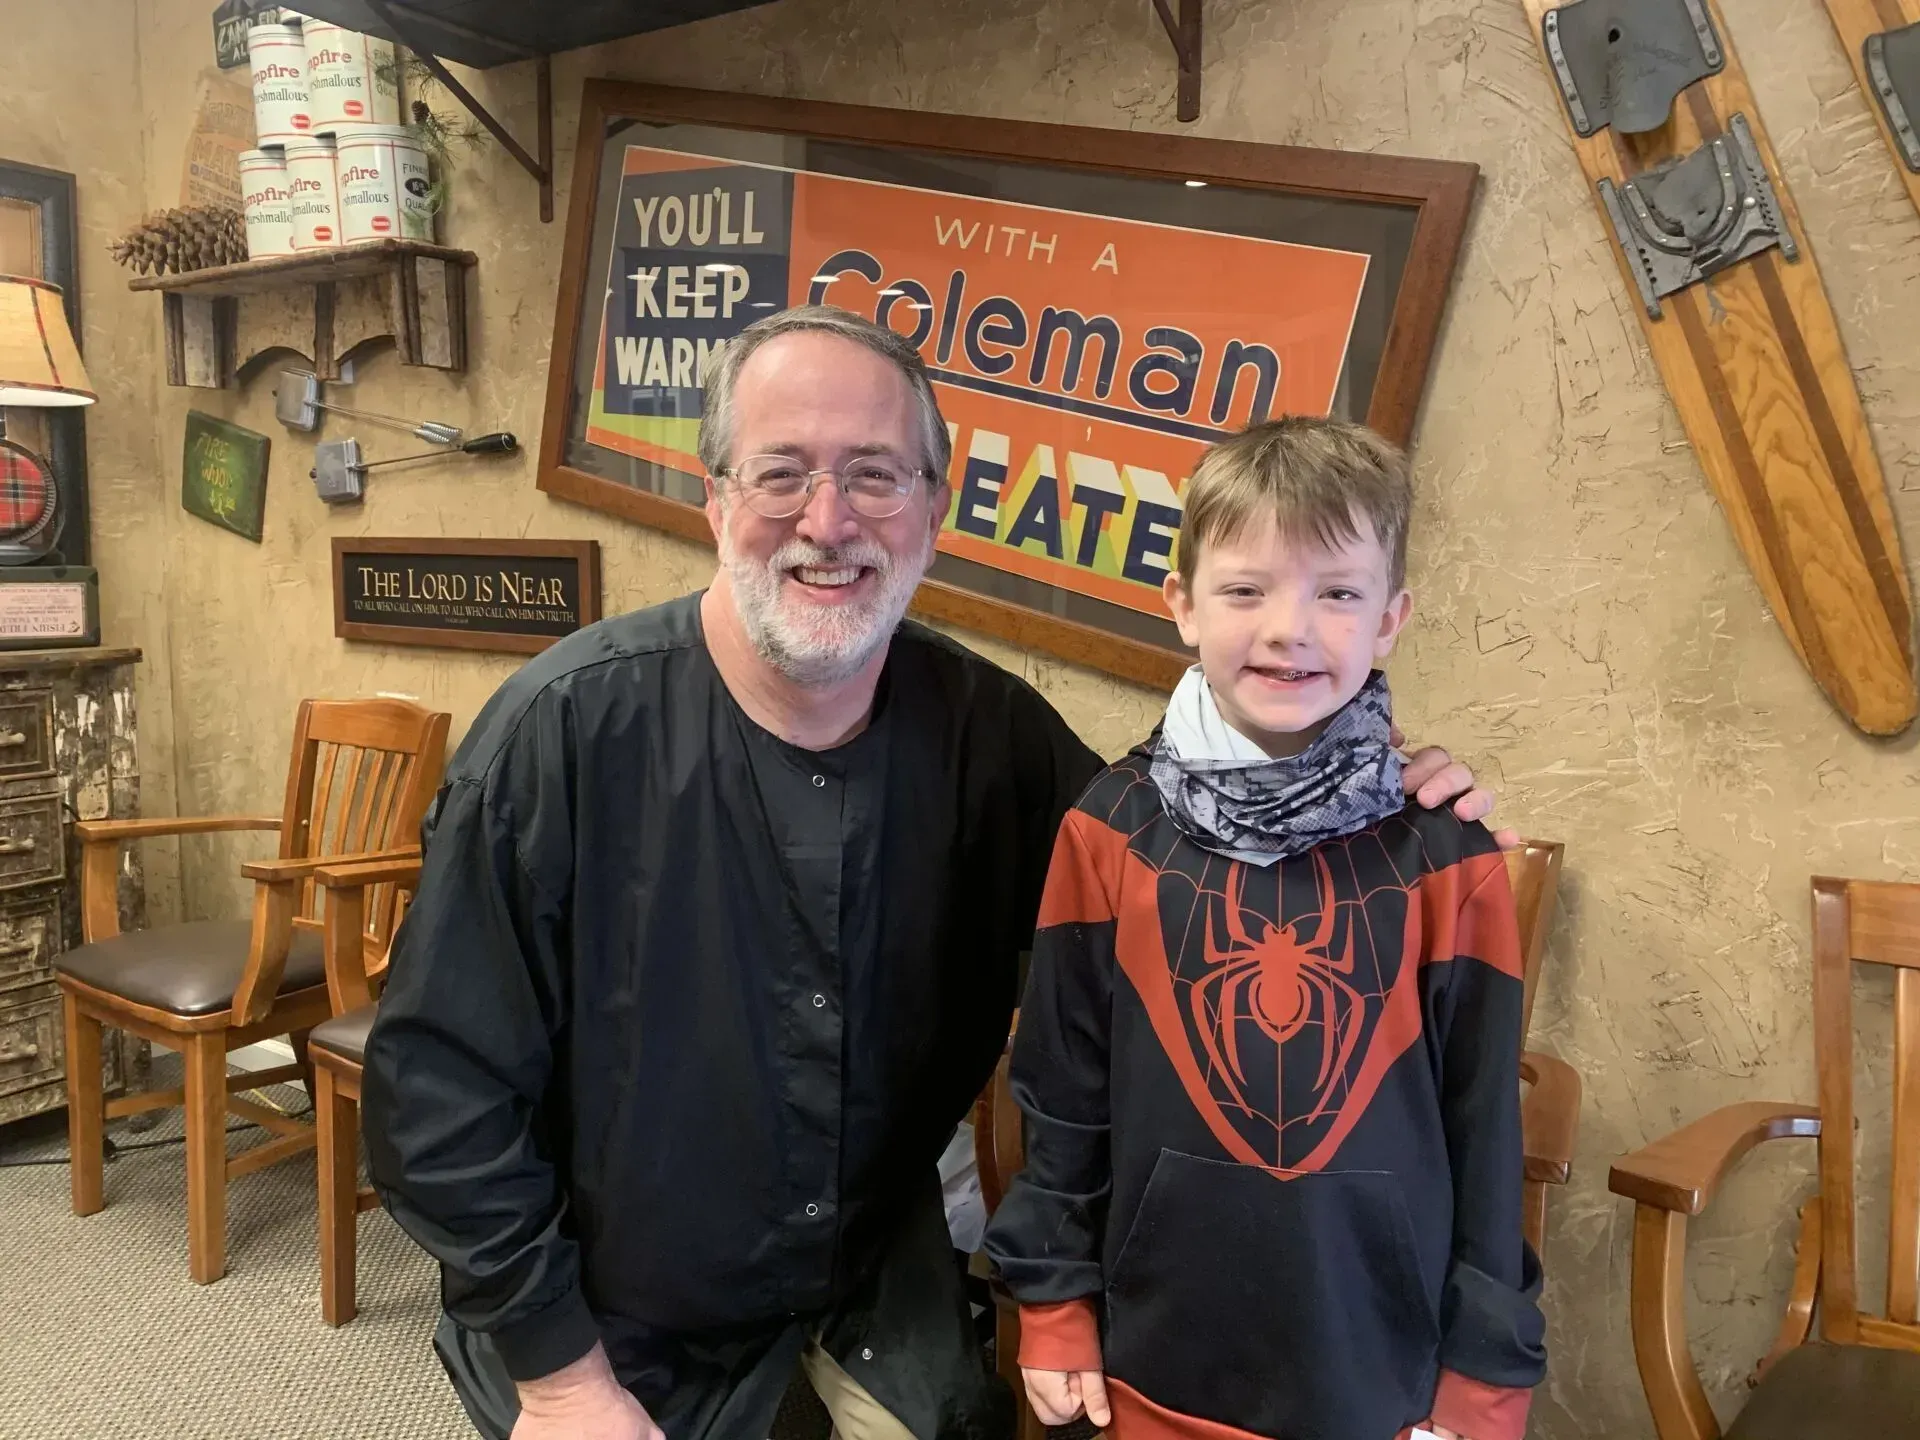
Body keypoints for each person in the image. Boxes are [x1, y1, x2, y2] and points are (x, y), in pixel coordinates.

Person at [360, 307, 1511, 1440]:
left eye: (875, 475)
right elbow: (439, 1103)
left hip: (873, 1282)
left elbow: (1189, 871)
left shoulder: (994, 736)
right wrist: (560, 1379)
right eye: (780, 475)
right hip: (614, 1318)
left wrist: (1370, 788)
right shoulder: (554, 740)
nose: (828, 520)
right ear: (712, 502)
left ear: (934, 512)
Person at [983, 417, 1547, 1440]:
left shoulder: (1450, 858)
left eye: (1337, 591)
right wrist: (1054, 1306)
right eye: (1246, 589)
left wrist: (1487, 1376)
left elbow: (1486, 1131)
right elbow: (1061, 1096)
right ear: (1183, 605)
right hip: (1156, 1359)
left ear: (1391, 618)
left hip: (1384, 1377)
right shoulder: (1107, 832)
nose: (1291, 629)